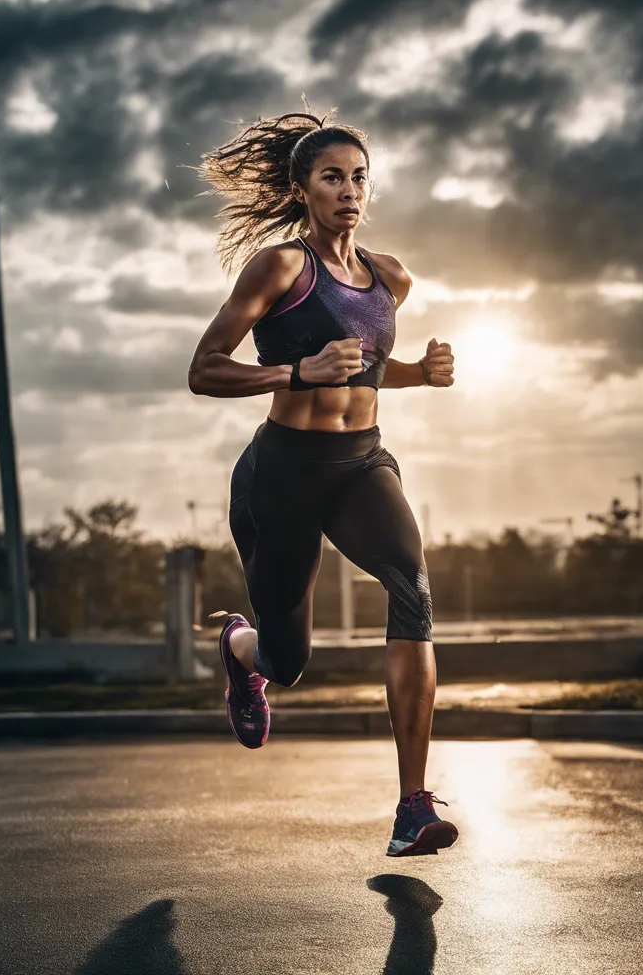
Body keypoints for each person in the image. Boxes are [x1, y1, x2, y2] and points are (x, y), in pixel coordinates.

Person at [187, 109, 458, 857]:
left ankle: (411, 806)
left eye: (359, 177)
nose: (349, 189)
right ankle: (243, 654)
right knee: (290, 661)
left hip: (361, 464)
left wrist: (418, 376)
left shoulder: (388, 278)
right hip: (282, 474)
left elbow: (365, 370)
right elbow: (204, 368)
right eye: (333, 177)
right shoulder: (281, 268)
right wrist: (293, 370)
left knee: (412, 584)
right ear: (304, 188)